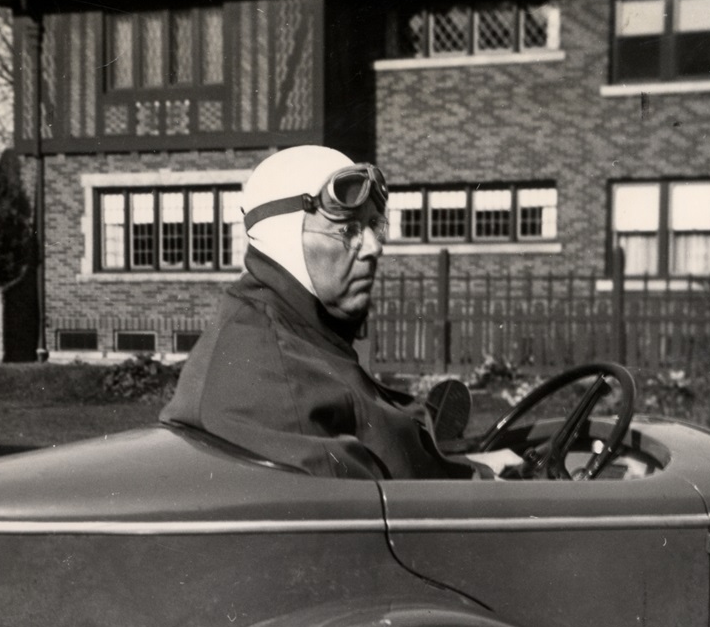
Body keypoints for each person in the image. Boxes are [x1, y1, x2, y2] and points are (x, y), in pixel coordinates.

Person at [160, 146, 476, 480]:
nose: (373, 247)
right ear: (284, 237)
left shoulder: (300, 335)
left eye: (372, 225)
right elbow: (367, 508)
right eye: (347, 229)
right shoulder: (276, 375)